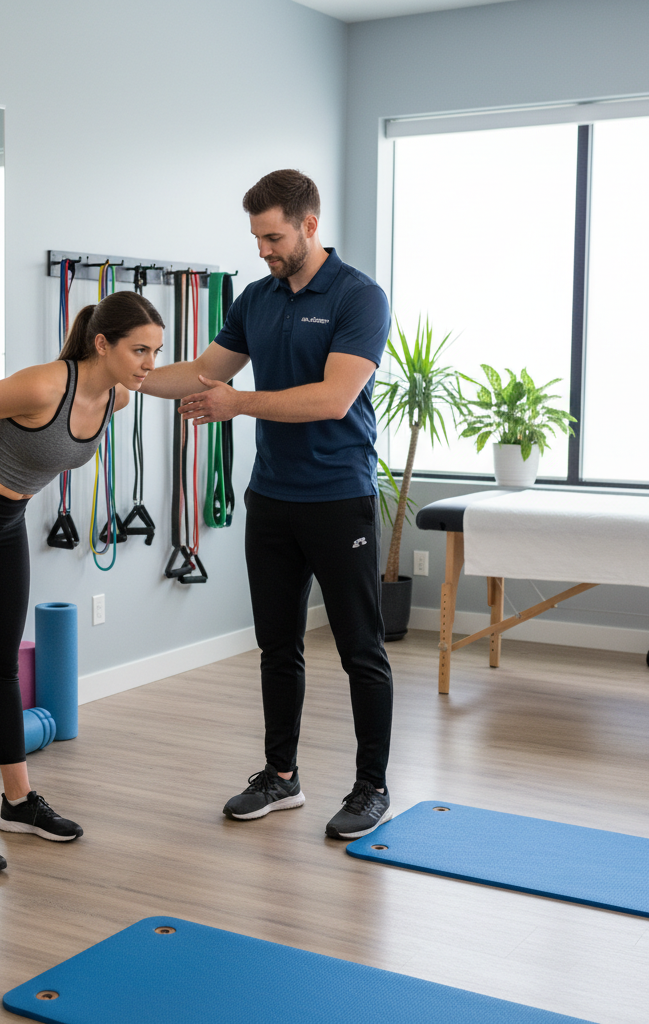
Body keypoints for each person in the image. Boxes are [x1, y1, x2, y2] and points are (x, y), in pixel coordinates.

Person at [140, 169, 394, 840]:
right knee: (277, 646)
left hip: (339, 498)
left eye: (274, 237)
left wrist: (238, 404)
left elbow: (332, 398)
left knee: (360, 650)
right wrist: (122, 376)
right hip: (273, 499)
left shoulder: (359, 298)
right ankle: (280, 777)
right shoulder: (258, 297)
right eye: (256, 238)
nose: (264, 250)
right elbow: (203, 372)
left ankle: (372, 788)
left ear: (310, 226)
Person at [0, 290, 165, 874]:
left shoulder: (117, 396)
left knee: (1, 663)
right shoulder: (46, 385)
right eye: (140, 350)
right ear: (103, 344)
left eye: (155, 351)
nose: (148, 362)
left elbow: (172, 378)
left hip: (6, 523)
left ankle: (18, 802)